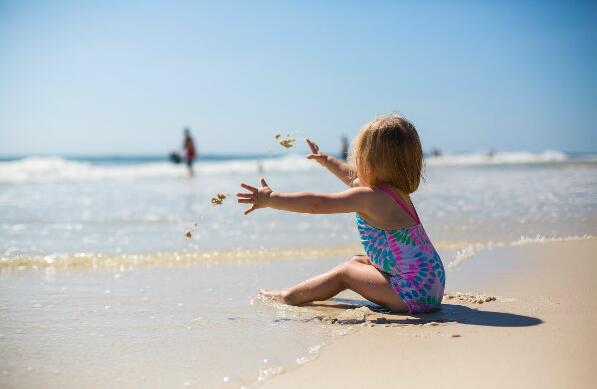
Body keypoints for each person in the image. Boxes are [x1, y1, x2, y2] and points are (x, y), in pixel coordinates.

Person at [236, 115, 445, 313]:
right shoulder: (395, 193)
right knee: (357, 261)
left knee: (345, 273)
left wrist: (272, 199)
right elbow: (351, 177)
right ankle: (303, 293)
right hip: (430, 282)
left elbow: (317, 204)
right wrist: (326, 160)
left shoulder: (371, 197)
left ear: (369, 161)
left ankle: (288, 296)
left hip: (413, 293)